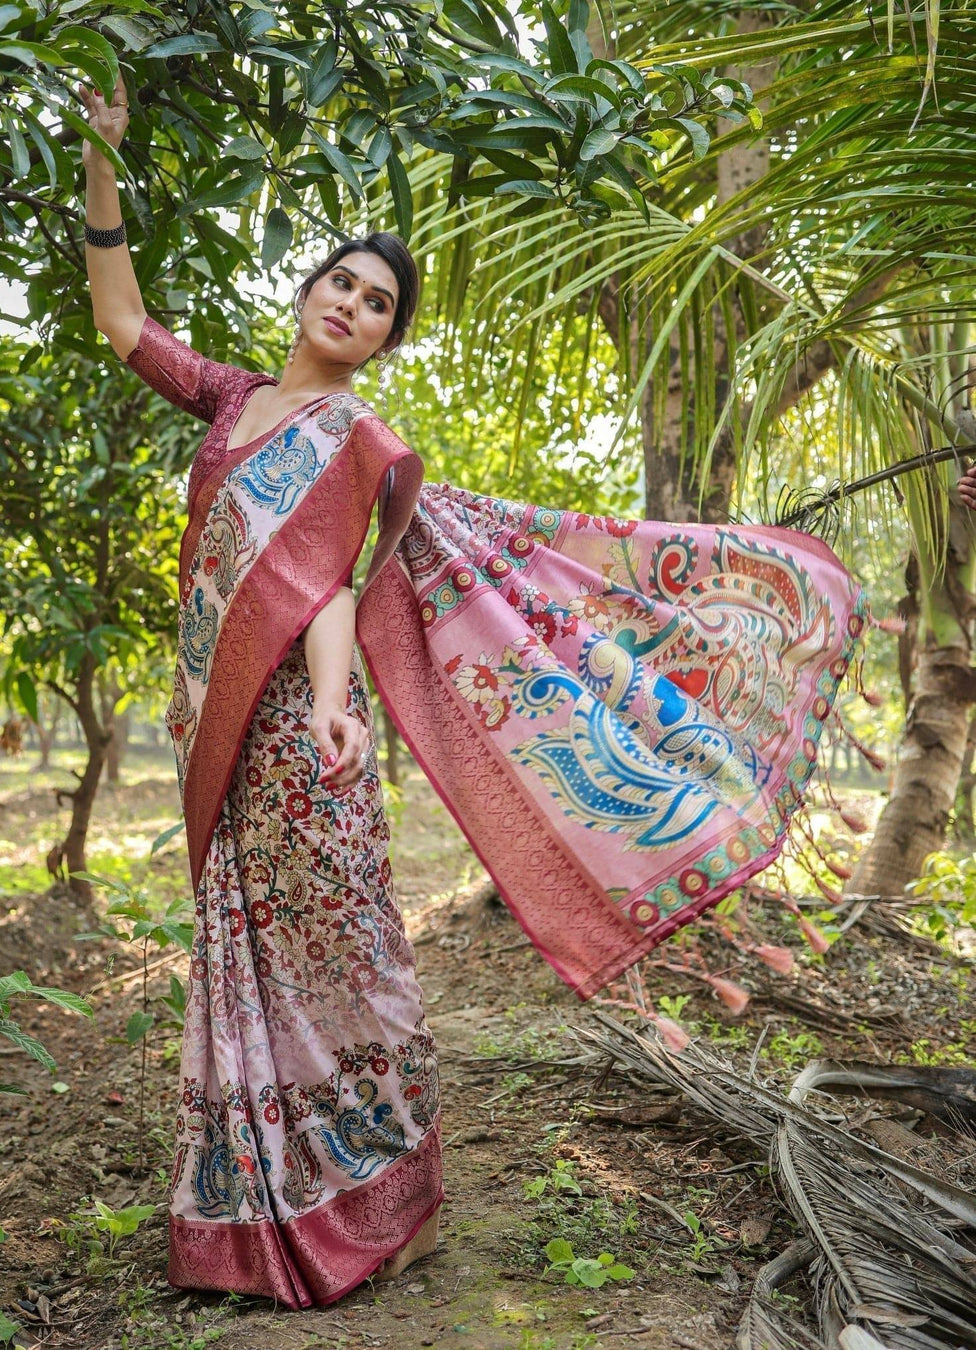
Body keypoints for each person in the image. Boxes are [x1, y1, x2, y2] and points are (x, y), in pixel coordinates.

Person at [81, 76, 872, 1309]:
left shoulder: (358, 440)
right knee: (243, 959)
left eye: (379, 302)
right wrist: (100, 159)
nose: (353, 303)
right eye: (343, 281)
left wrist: (340, 709)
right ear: (307, 292)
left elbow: (331, 589)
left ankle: (392, 1198)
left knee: (347, 952)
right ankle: (255, 1213)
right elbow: (121, 316)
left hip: (300, 730)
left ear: (387, 338)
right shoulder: (232, 399)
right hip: (217, 732)